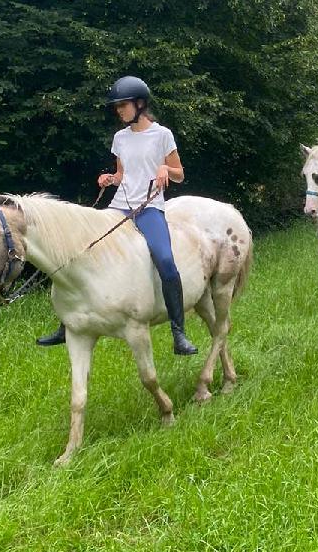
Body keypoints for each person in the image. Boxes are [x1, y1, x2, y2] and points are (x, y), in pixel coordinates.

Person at [37, 75, 198, 354]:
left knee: (165, 260)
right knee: (82, 248)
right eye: (117, 106)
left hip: (149, 208)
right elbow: (124, 174)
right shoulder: (120, 138)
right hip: (120, 205)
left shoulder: (162, 135)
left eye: (122, 105)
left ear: (140, 104)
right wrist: (111, 178)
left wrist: (166, 170)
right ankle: (66, 324)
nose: (118, 110)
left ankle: (179, 333)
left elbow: (180, 174)